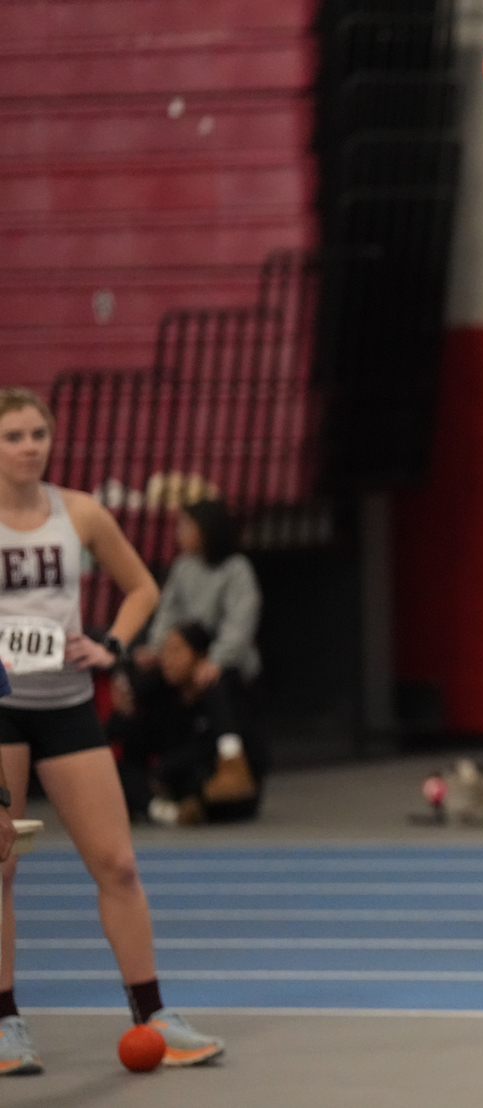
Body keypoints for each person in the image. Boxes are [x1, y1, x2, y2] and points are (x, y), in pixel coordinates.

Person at [0, 387, 224, 1073]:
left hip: (67, 704)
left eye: (38, 433)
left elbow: (143, 588)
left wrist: (114, 645)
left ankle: (154, 1010)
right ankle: (5, 1023)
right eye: (13, 436)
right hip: (0, 707)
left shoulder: (83, 513)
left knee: (118, 863)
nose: (29, 446)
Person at [115, 622, 266, 827]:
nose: (168, 660)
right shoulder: (155, 692)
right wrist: (124, 714)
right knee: (121, 776)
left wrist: (165, 770)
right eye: (165, 652)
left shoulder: (226, 693)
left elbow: (251, 752)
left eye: (177, 651)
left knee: (223, 790)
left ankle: (231, 765)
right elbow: (133, 746)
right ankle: (170, 814)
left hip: (212, 782)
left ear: (201, 656)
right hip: (173, 785)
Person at [134, 497, 261, 705]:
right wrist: (157, 648)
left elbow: (240, 623)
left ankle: (229, 738)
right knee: (143, 683)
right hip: (185, 654)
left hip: (229, 659)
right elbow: (168, 612)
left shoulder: (237, 568)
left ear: (207, 530)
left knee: (215, 686)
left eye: (186, 525)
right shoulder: (183, 566)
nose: (179, 532)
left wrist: (216, 660)